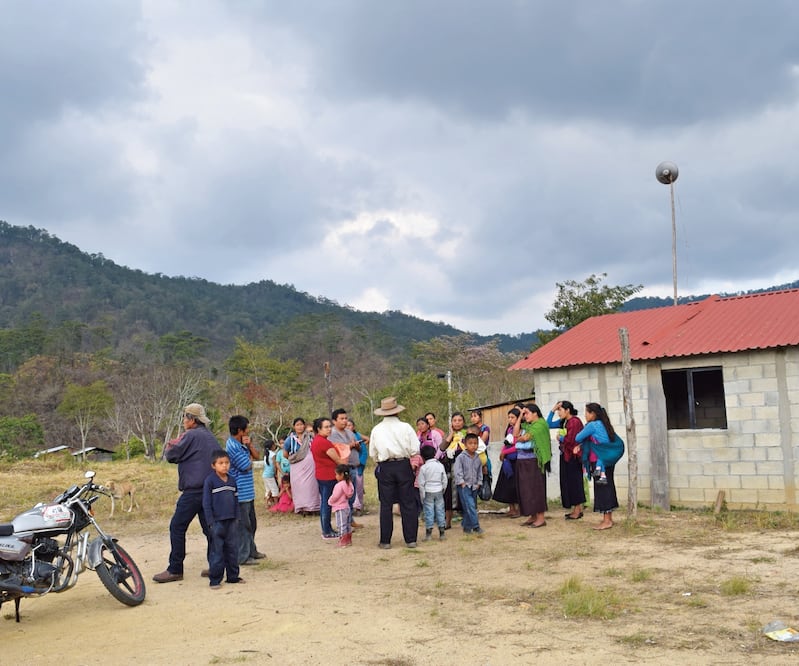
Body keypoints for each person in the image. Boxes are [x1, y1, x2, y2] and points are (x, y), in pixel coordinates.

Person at [153, 403, 220, 583]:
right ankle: (216, 566)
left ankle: (175, 569)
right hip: (210, 489)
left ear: (192, 419)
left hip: (194, 490)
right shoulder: (210, 436)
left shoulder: (190, 435)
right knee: (210, 529)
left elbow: (171, 455)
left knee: (177, 526)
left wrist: (172, 443)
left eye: (185, 418)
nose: (183, 421)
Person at [369, 396, 420, 549]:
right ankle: (410, 539)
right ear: (397, 412)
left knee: (386, 504)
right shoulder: (406, 427)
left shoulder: (377, 429)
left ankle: (385, 541)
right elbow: (414, 449)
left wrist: (379, 460)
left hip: (386, 466)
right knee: (408, 503)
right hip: (404, 465)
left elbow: (373, 452)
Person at [575, 403, 623, 530]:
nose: (585, 415)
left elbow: (578, 437)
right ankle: (608, 518)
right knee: (608, 487)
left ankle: (607, 521)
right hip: (606, 462)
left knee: (602, 489)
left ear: (593, 414)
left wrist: (583, 440)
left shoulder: (592, 425)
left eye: (586, 412)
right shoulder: (604, 425)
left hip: (598, 464)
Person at [226, 415, 266, 565]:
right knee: (243, 526)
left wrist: (249, 447)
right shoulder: (233, 447)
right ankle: (243, 556)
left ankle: (251, 550)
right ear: (239, 430)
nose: (248, 431)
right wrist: (248, 457)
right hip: (240, 493)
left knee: (252, 524)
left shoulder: (241, 445)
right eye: (246, 428)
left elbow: (256, 456)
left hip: (248, 491)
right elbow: (246, 465)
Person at [202, 450, 244, 589]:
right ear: (214, 465)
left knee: (232, 550)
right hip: (217, 522)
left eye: (226, 463)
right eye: (221, 463)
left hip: (232, 521)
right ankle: (215, 579)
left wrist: (237, 517)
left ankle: (233, 577)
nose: (224, 466)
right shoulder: (210, 481)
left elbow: (236, 500)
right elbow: (206, 504)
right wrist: (210, 522)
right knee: (217, 552)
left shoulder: (232, 480)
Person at [311, 417, 349, 539]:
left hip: (321, 475)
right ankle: (326, 531)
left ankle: (326, 529)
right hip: (328, 475)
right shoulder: (324, 442)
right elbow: (338, 460)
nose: (329, 429)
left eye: (329, 426)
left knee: (325, 503)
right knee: (327, 504)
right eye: (326, 427)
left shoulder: (317, 440)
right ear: (319, 429)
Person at [547, 401, 586, 521]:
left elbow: (572, 439)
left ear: (568, 410)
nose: (559, 413)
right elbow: (548, 424)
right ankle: (575, 509)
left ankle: (578, 509)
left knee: (575, 482)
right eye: (558, 410)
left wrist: (561, 438)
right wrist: (553, 409)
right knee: (568, 482)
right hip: (565, 455)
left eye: (560, 410)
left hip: (573, 456)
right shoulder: (564, 422)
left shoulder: (574, 421)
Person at [514, 404, 551, 528]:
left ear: (535, 413)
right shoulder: (528, 425)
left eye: (527, 413)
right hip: (523, 461)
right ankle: (532, 515)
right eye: (524, 414)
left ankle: (540, 518)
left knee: (536, 489)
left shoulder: (540, 424)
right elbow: (516, 433)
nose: (525, 416)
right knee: (526, 490)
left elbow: (525, 438)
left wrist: (519, 439)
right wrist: (519, 416)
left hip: (535, 461)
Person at [329, 408, 361, 530]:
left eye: (345, 418)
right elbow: (338, 449)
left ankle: (350, 520)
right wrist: (349, 445)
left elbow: (357, 448)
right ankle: (344, 524)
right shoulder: (332, 434)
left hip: (353, 466)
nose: (344, 421)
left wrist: (356, 445)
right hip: (342, 468)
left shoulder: (350, 433)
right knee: (343, 497)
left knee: (351, 495)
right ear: (334, 421)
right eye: (341, 419)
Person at [285, 417, 320, 515]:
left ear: (304, 426)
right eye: (297, 425)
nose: (300, 427)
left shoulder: (310, 437)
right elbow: (285, 453)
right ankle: (302, 508)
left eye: (301, 424)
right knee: (299, 487)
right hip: (297, 468)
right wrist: (295, 459)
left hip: (310, 467)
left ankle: (313, 507)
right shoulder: (290, 439)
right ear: (294, 427)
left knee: (311, 486)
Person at [440, 412, 468, 529]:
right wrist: (451, 434)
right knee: (448, 495)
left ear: (463, 422)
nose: (457, 422)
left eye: (459, 420)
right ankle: (448, 521)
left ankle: (468, 521)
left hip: (465, 467)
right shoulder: (450, 435)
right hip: (450, 468)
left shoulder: (468, 434)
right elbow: (442, 448)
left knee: (466, 493)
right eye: (454, 420)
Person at [453, 433, 484, 535]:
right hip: (464, 486)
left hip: (474, 486)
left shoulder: (477, 458)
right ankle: (476, 526)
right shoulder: (461, 457)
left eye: (475, 443)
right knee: (470, 506)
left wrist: (479, 482)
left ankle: (466, 527)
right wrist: (461, 482)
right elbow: (457, 470)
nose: (473, 445)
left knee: (470, 506)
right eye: (470, 443)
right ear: (465, 444)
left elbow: (480, 471)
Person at [493, 408, 520, 517]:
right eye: (509, 417)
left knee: (516, 485)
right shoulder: (509, 429)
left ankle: (520, 508)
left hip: (516, 459)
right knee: (507, 484)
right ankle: (512, 508)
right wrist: (502, 452)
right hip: (507, 460)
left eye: (512, 417)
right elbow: (506, 443)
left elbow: (517, 445)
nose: (510, 419)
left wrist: (505, 452)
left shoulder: (521, 430)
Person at [417, 444, 448, 541]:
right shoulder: (440, 465)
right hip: (439, 490)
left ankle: (429, 535)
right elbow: (444, 479)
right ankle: (442, 533)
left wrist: (422, 496)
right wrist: (443, 489)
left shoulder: (424, 468)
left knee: (429, 512)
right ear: (434, 454)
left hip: (428, 491)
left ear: (422, 456)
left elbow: (421, 483)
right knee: (440, 511)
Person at [329, 464, 355, 548]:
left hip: (340, 508)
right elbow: (350, 493)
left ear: (341, 475)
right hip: (346, 506)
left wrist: (330, 501)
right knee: (347, 524)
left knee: (341, 524)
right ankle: (348, 539)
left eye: (336, 474)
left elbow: (335, 496)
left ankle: (342, 540)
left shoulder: (339, 485)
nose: (335, 476)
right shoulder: (349, 484)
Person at [347, 418, 370, 514]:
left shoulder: (358, 437)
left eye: (350, 425)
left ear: (353, 427)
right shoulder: (342, 437)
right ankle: (348, 507)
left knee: (358, 486)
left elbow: (364, 452)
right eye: (346, 425)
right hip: (347, 465)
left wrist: (360, 462)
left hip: (358, 466)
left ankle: (358, 507)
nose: (348, 427)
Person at [262, 440, 279, 508]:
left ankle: (267, 504)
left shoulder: (266, 454)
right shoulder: (273, 454)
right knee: (275, 489)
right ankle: (276, 504)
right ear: (272, 446)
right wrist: (275, 474)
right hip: (270, 475)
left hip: (265, 474)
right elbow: (275, 465)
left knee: (268, 489)